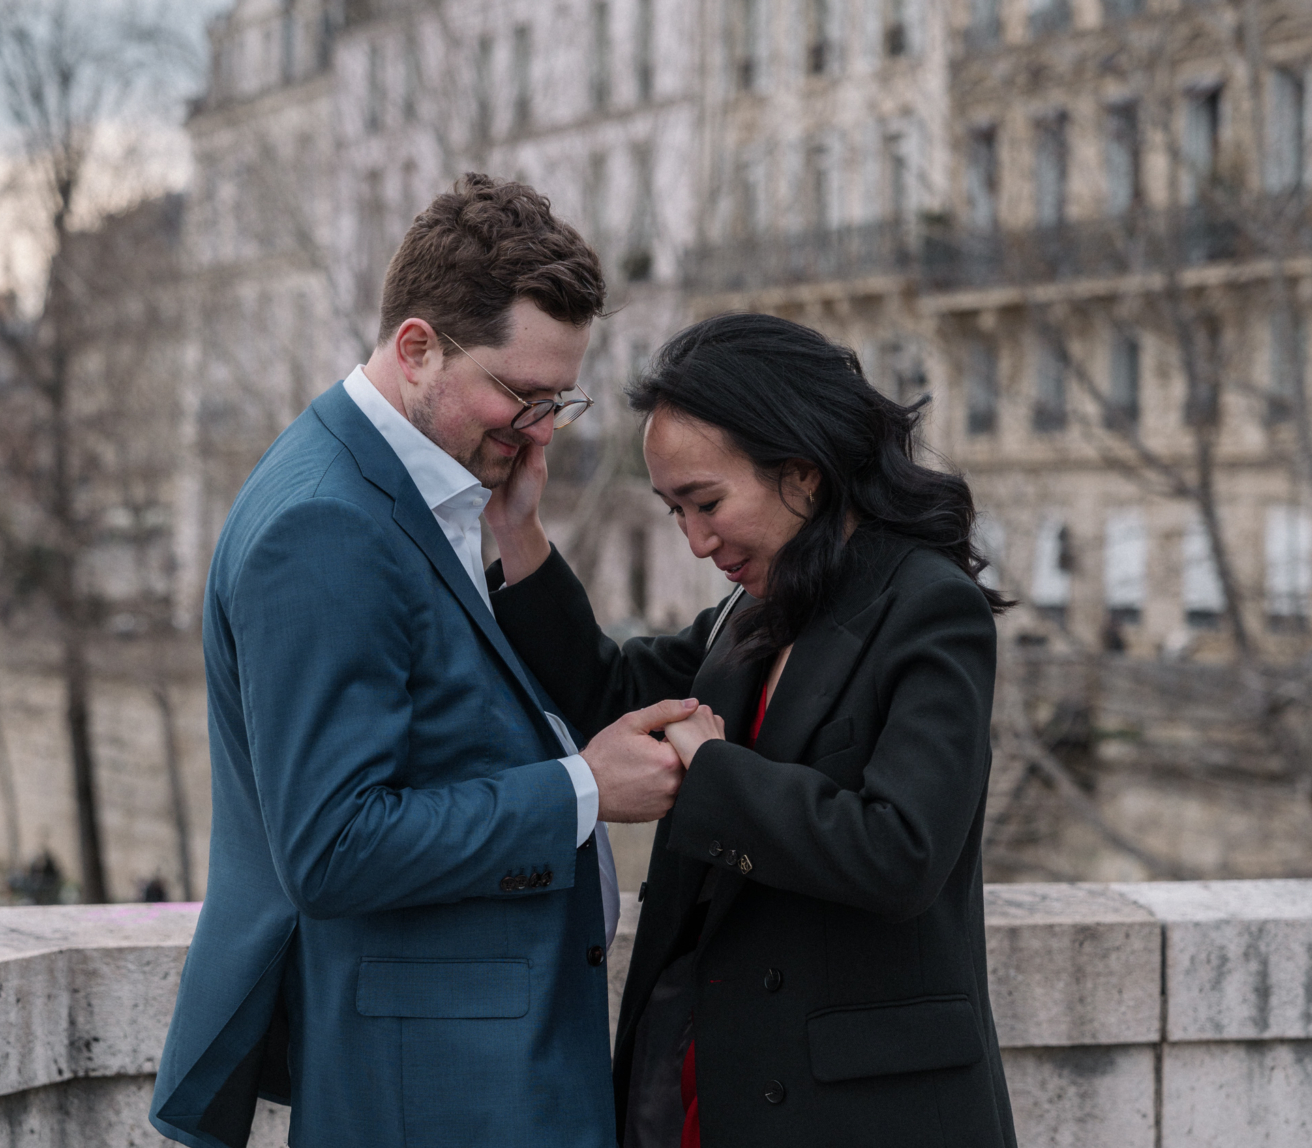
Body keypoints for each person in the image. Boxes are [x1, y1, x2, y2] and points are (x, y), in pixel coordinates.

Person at [150, 175, 692, 1148]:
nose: (540, 430)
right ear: (417, 348)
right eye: (521, 395)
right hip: (433, 1081)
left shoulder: (413, 488)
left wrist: (516, 534)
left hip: (473, 1056)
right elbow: (333, 844)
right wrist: (582, 787)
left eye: (558, 399)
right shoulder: (324, 522)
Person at [486, 313, 1020, 1148]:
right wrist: (516, 530)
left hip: (867, 1118)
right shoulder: (755, 608)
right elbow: (613, 691)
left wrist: (714, 771)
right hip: (712, 1089)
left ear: (803, 475)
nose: (698, 541)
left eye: (707, 503)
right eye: (673, 513)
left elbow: (903, 852)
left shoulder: (928, 607)